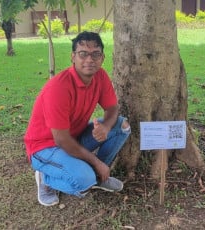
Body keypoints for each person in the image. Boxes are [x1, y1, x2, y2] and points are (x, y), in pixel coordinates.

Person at [24, 31, 131, 206]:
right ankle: (46, 178)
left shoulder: (100, 76)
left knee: (122, 126)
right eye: (83, 54)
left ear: (102, 57)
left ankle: (99, 176)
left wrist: (105, 128)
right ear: (73, 57)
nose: (90, 59)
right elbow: (61, 139)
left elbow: (112, 108)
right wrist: (96, 162)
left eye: (95, 54)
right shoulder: (58, 87)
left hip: (73, 138)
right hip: (44, 146)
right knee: (83, 181)